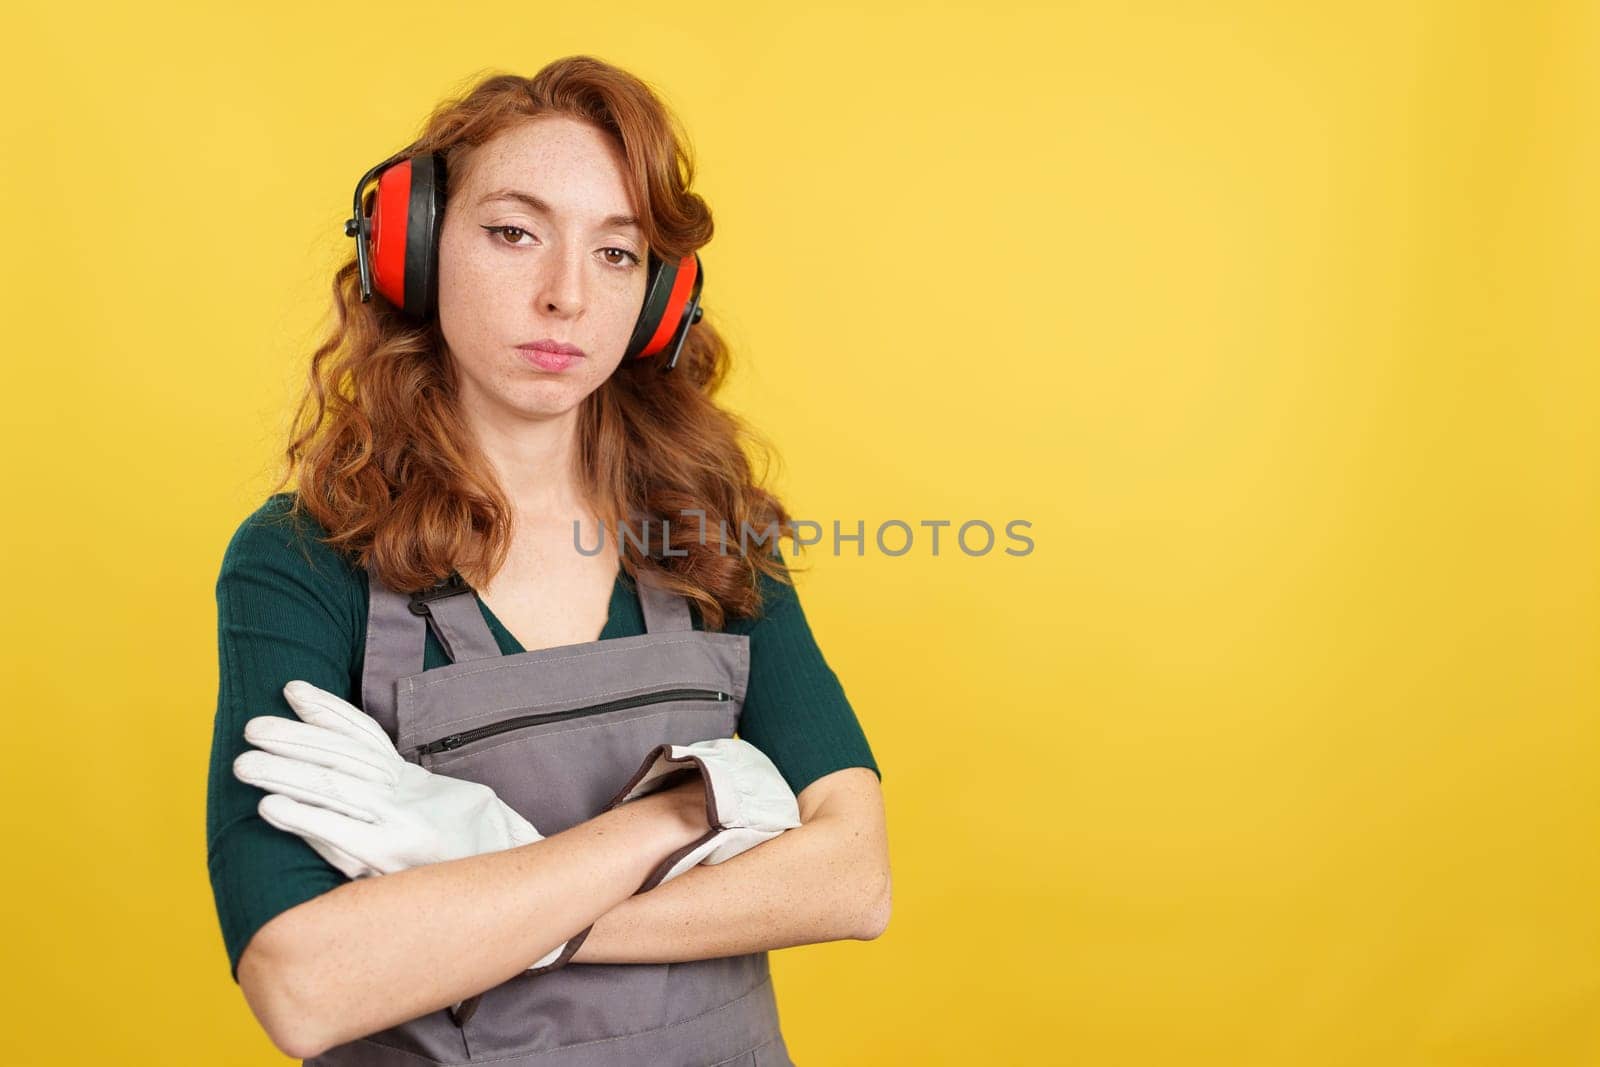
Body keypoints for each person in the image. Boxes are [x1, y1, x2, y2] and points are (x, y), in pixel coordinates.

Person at [204, 56, 891, 1065]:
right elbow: (305, 981)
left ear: (658, 298)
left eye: (616, 254)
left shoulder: (707, 529)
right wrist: (674, 820)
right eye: (514, 232)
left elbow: (851, 876)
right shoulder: (303, 558)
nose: (566, 294)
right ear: (418, 250)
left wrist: (481, 886)